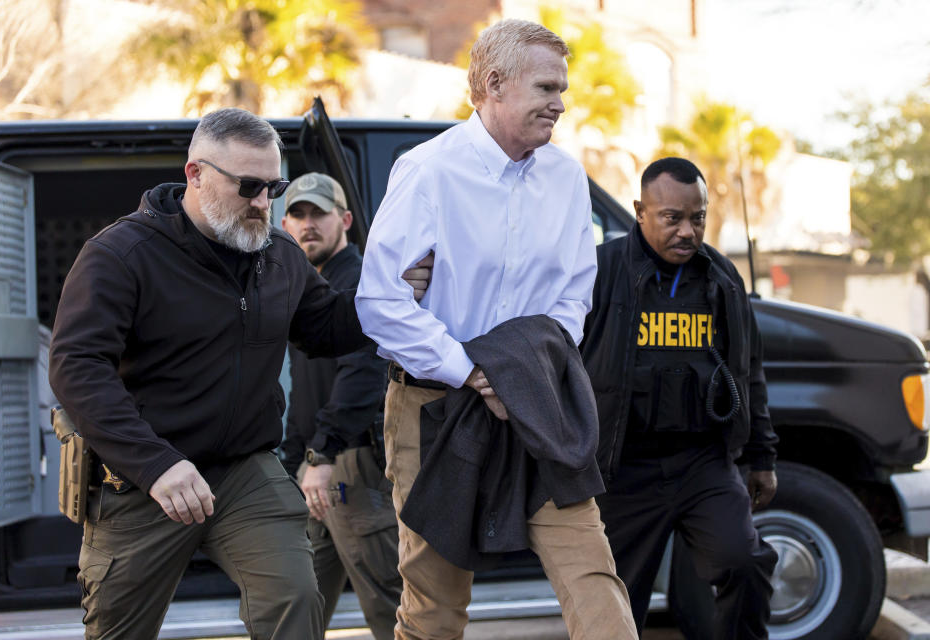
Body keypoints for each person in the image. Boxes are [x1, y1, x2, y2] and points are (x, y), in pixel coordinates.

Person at [48, 108, 423, 640]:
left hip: (244, 471)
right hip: (144, 477)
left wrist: (397, 293)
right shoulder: (120, 255)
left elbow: (329, 328)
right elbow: (77, 368)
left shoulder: (280, 254)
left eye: (273, 187)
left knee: (294, 600)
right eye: (248, 186)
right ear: (195, 175)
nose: (262, 203)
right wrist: (155, 465)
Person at [355, 19, 637, 640]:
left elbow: (573, 294)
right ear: (493, 84)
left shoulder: (565, 177)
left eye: (562, 88)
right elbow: (379, 302)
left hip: (536, 407)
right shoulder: (427, 171)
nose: (559, 103)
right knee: (434, 606)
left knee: (593, 576)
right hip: (436, 408)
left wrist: (524, 371)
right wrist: (476, 371)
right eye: (546, 88)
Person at [580, 157, 779, 639]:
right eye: (672, 218)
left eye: (698, 218)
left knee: (745, 562)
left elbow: (748, 372)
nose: (687, 232)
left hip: (702, 464)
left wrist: (761, 457)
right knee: (614, 607)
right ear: (640, 211)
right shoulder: (598, 271)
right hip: (623, 472)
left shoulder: (722, 278)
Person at [279, 172, 401, 640]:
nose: (308, 225)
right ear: (285, 225)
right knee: (297, 601)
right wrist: (298, 459)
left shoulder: (358, 282)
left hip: (351, 467)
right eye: (299, 215)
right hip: (317, 470)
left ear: (345, 220)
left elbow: (363, 375)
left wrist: (322, 455)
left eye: (319, 214)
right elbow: (306, 391)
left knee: (389, 603)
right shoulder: (306, 288)